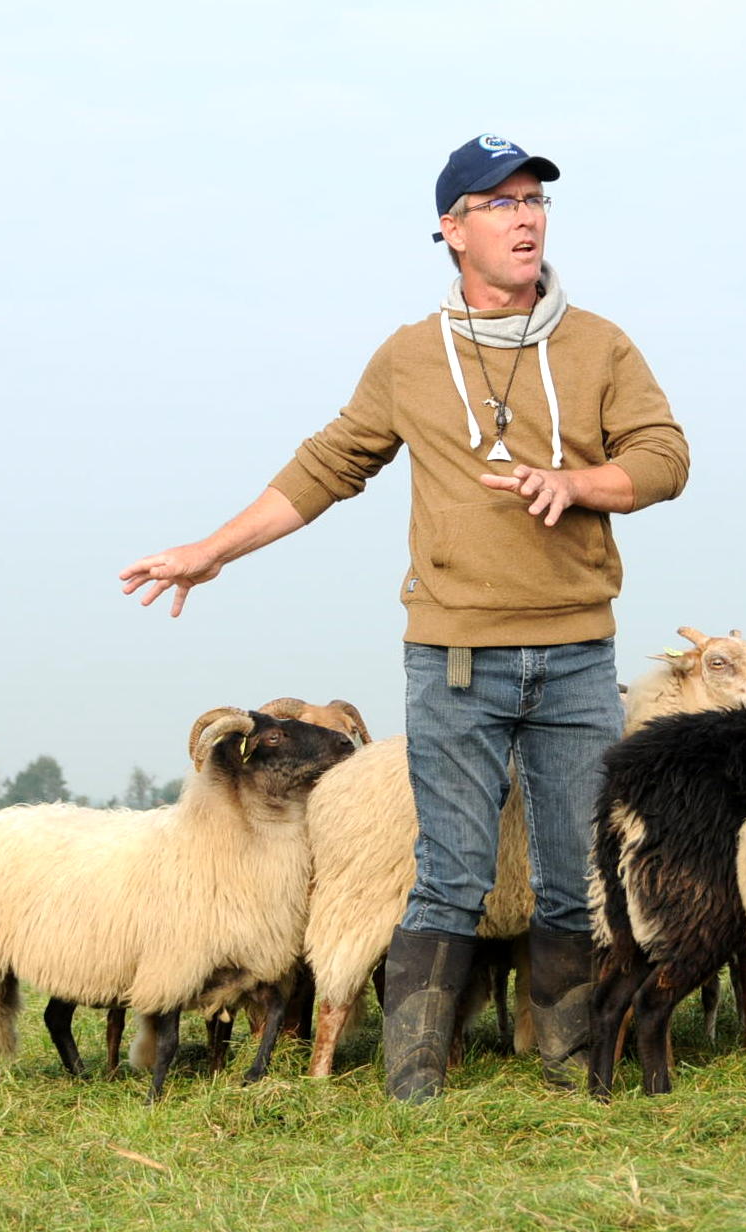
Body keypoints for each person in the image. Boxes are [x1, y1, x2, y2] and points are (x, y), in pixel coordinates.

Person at [119, 134, 690, 1101]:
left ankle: (561, 1067)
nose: (524, 217)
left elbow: (665, 455)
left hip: (577, 653)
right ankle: (413, 1084)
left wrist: (580, 481)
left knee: (569, 875)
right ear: (452, 227)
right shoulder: (411, 355)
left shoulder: (599, 343)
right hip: (456, 655)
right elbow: (328, 463)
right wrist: (212, 549)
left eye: (534, 200)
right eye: (499, 202)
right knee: (450, 871)